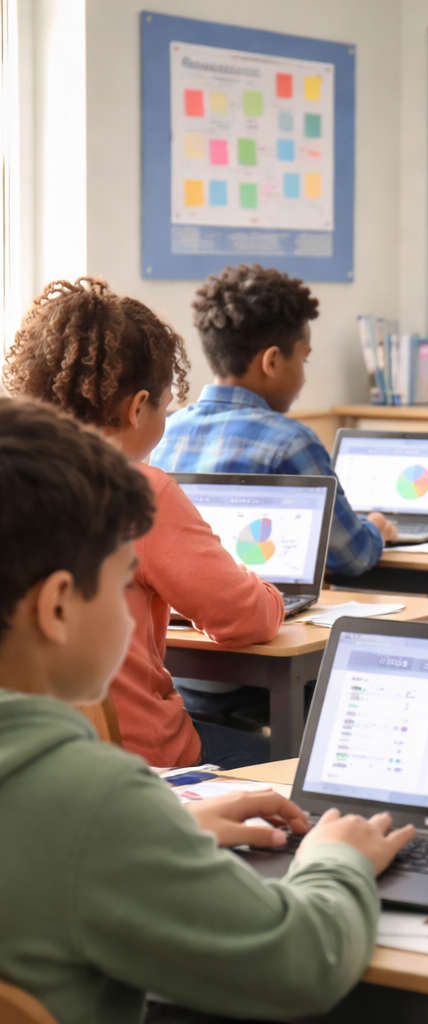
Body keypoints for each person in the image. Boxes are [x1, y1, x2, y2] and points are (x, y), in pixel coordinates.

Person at [0, 397, 415, 1024]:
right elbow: (300, 964)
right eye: (123, 586)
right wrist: (338, 860)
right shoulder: (90, 799)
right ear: (58, 607)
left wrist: (161, 835)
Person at [2, 279, 284, 769]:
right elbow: (243, 617)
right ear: (137, 409)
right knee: (294, 754)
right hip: (142, 761)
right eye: (165, 404)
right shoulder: (140, 491)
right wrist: (271, 594)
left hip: (35, 758)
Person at [150, 263, 398, 574]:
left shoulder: (167, 431)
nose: (305, 377)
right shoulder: (291, 441)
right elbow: (353, 555)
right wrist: (374, 527)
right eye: (303, 359)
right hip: (265, 604)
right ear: (271, 361)